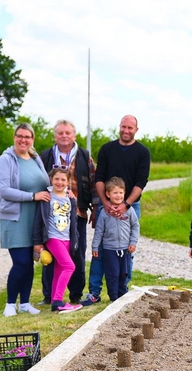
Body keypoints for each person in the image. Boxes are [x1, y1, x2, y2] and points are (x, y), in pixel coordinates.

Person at [81, 115, 150, 306]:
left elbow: (141, 182)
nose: (126, 130)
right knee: (100, 251)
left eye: (130, 128)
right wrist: (105, 203)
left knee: (126, 252)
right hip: (106, 205)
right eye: (123, 127)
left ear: (136, 129)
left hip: (130, 206)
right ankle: (94, 292)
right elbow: (99, 178)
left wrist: (125, 204)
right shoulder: (107, 149)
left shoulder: (143, 152)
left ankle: (122, 292)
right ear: (119, 127)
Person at [0, 122, 50, 316]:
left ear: (32, 139)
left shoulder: (35, 158)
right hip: (15, 219)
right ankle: (10, 304)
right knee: (21, 263)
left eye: (27, 137)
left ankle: (25, 303)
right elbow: (4, 190)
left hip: (34, 219)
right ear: (14, 137)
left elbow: (46, 184)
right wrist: (32, 196)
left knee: (29, 262)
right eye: (20, 136)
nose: (23, 140)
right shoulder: (6, 160)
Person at [39, 120, 95, 305]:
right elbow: (38, 181)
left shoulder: (84, 156)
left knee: (76, 253)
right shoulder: (45, 156)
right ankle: (50, 295)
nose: (64, 136)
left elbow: (94, 183)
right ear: (55, 136)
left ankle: (75, 293)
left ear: (74, 136)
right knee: (50, 255)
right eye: (61, 133)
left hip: (76, 213)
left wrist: (94, 209)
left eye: (68, 133)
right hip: (51, 214)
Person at [32, 167, 81, 313]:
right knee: (69, 266)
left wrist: (75, 239)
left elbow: (73, 221)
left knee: (60, 270)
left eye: (63, 180)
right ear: (51, 180)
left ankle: (54, 300)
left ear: (68, 181)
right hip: (53, 238)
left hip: (67, 238)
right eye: (56, 179)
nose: (59, 182)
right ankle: (59, 302)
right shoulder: (46, 198)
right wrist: (37, 242)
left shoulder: (70, 198)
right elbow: (38, 221)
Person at [92, 177, 140, 302]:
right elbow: (99, 231)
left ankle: (122, 295)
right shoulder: (104, 212)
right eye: (115, 193)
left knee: (124, 273)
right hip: (109, 249)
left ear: (124, 193)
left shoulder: (129, 211)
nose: (118, 195)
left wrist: (133, 242)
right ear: (108, 194)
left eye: (121, 192)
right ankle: (113, 297)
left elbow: (135, 226)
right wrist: (95, 246)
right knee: (112, 274)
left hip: (125, 249)